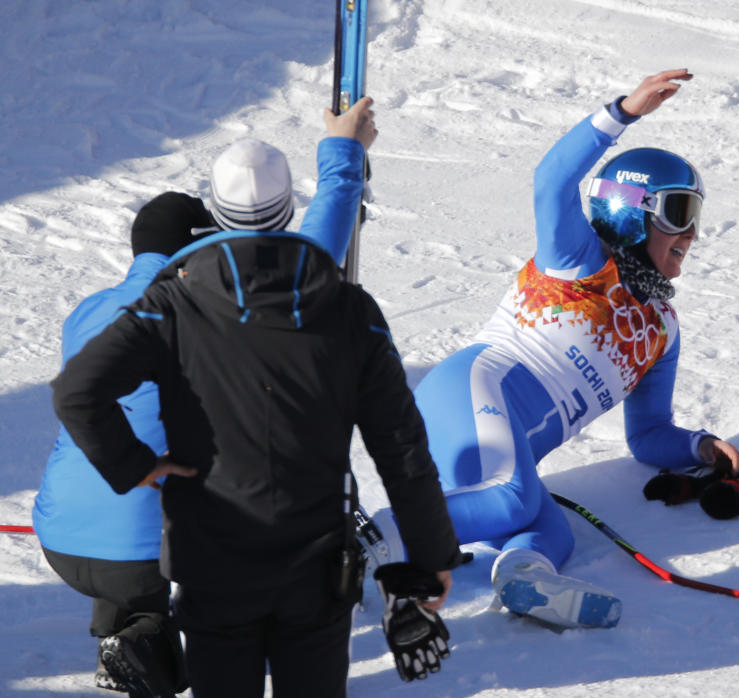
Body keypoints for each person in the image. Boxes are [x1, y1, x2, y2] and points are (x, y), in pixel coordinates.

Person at [50, 97, 462, 698]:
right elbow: (401, 448)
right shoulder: (346, 307)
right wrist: (429, 557)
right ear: (288, 209)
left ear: (217, 214)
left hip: (211, 564)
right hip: (315, 566)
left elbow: (78, 393)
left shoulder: (172, 306)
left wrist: (134, 466)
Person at [364, 69, 739, 630]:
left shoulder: (661, 330)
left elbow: (648, 436)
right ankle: (364, 541)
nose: (691, 234)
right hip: (471, 389)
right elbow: (550, 180)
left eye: (694, 216)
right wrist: (621, 112)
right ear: (631, 208)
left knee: (547, 529)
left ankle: (523, 575)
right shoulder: (578, 257)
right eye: (677, 213)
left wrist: (702, 448)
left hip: (502, 447)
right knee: (515, 500)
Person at [33, 191, 215, 694]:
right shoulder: (199, 317)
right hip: (138, 555)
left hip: (57, 534)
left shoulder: (87, 311)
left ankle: (122, 632)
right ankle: (145, 639)